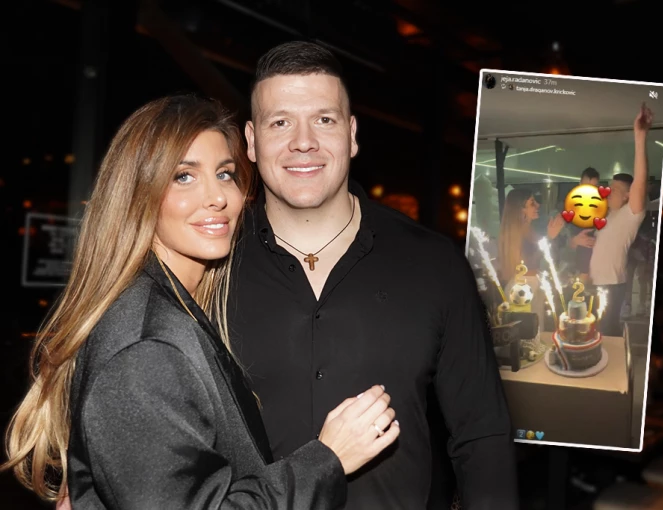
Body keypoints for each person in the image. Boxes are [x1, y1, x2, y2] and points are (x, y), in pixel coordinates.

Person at [2, 94, 399, 509]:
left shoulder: (174, 309)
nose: (218, 197)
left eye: (225, 174)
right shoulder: (147, 347)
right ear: (138, 194)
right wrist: (327, 459)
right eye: (184, 176)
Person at [228, 41, 519, 509]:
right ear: (251, 141)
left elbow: (482, 434)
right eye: (280, 122)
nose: (304, 141)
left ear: (351, 134)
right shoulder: (212, 265)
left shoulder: (434, 264)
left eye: (324, 119)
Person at [588, 103, 653, 337]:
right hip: (596, 283)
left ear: (628, 196)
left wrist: (640, 136)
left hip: (611, 285)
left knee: (606, 334)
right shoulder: (609, 216)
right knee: (592, 332)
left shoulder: (630, 215)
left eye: (614, 189)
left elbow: (640, 182)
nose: (608, 192)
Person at [497, 188, 565, 283]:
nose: (538, 205)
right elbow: (529, 261)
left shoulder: (528, 229)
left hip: (531, 282)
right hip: (524, 284)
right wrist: (549, 238)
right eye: (532, 203)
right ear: (520, 209)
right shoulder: (516, 233)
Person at [559, 167, 602, 283]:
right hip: (570, 270)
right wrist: (573, 241)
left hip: (596, 270)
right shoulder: (567, 208)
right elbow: (557, 243)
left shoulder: (602, 210)